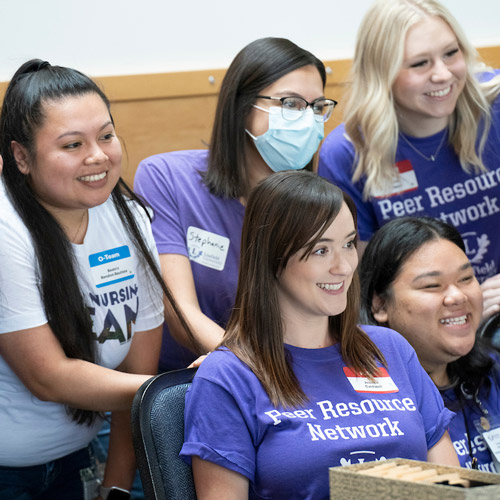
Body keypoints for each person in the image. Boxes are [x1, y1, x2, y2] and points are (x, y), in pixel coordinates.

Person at [180, 171, 459, 500]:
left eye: (348, 244)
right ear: (271, 258)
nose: (343, 266)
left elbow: (452, 488)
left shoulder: (389, 348)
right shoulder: (227, 377)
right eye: (320, 250)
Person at [0, 60, 195, 500]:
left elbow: (135, 380)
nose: (98, 156)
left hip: (78, 460)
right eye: (72, 144)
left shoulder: (129, 217)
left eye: (106, 135)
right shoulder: (6, 228)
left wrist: (116, 488)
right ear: (21, 156)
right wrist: (188, 385)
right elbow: (47, 377)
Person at [134, 37, 337, 371]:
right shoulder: (167, 177)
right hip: (197, 382)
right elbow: (180, 312)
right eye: (291, 104)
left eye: (317, 108)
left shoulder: (317, 200)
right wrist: (249, 370)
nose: (307, 119)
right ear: (242, 106)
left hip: (287, 379)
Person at [318, 0, 500, 320]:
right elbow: (362, 285)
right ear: (382, 74)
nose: (443, 74)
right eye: (420, 64)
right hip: (423, 331)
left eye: (451, 53)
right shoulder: (347, 155)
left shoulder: (495, 108)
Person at [359, 216, 500, 472]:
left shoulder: (493, 371)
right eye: (432, 285)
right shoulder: (371, 408)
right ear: (379, 304)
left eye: (466, 278)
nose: (457, 296)